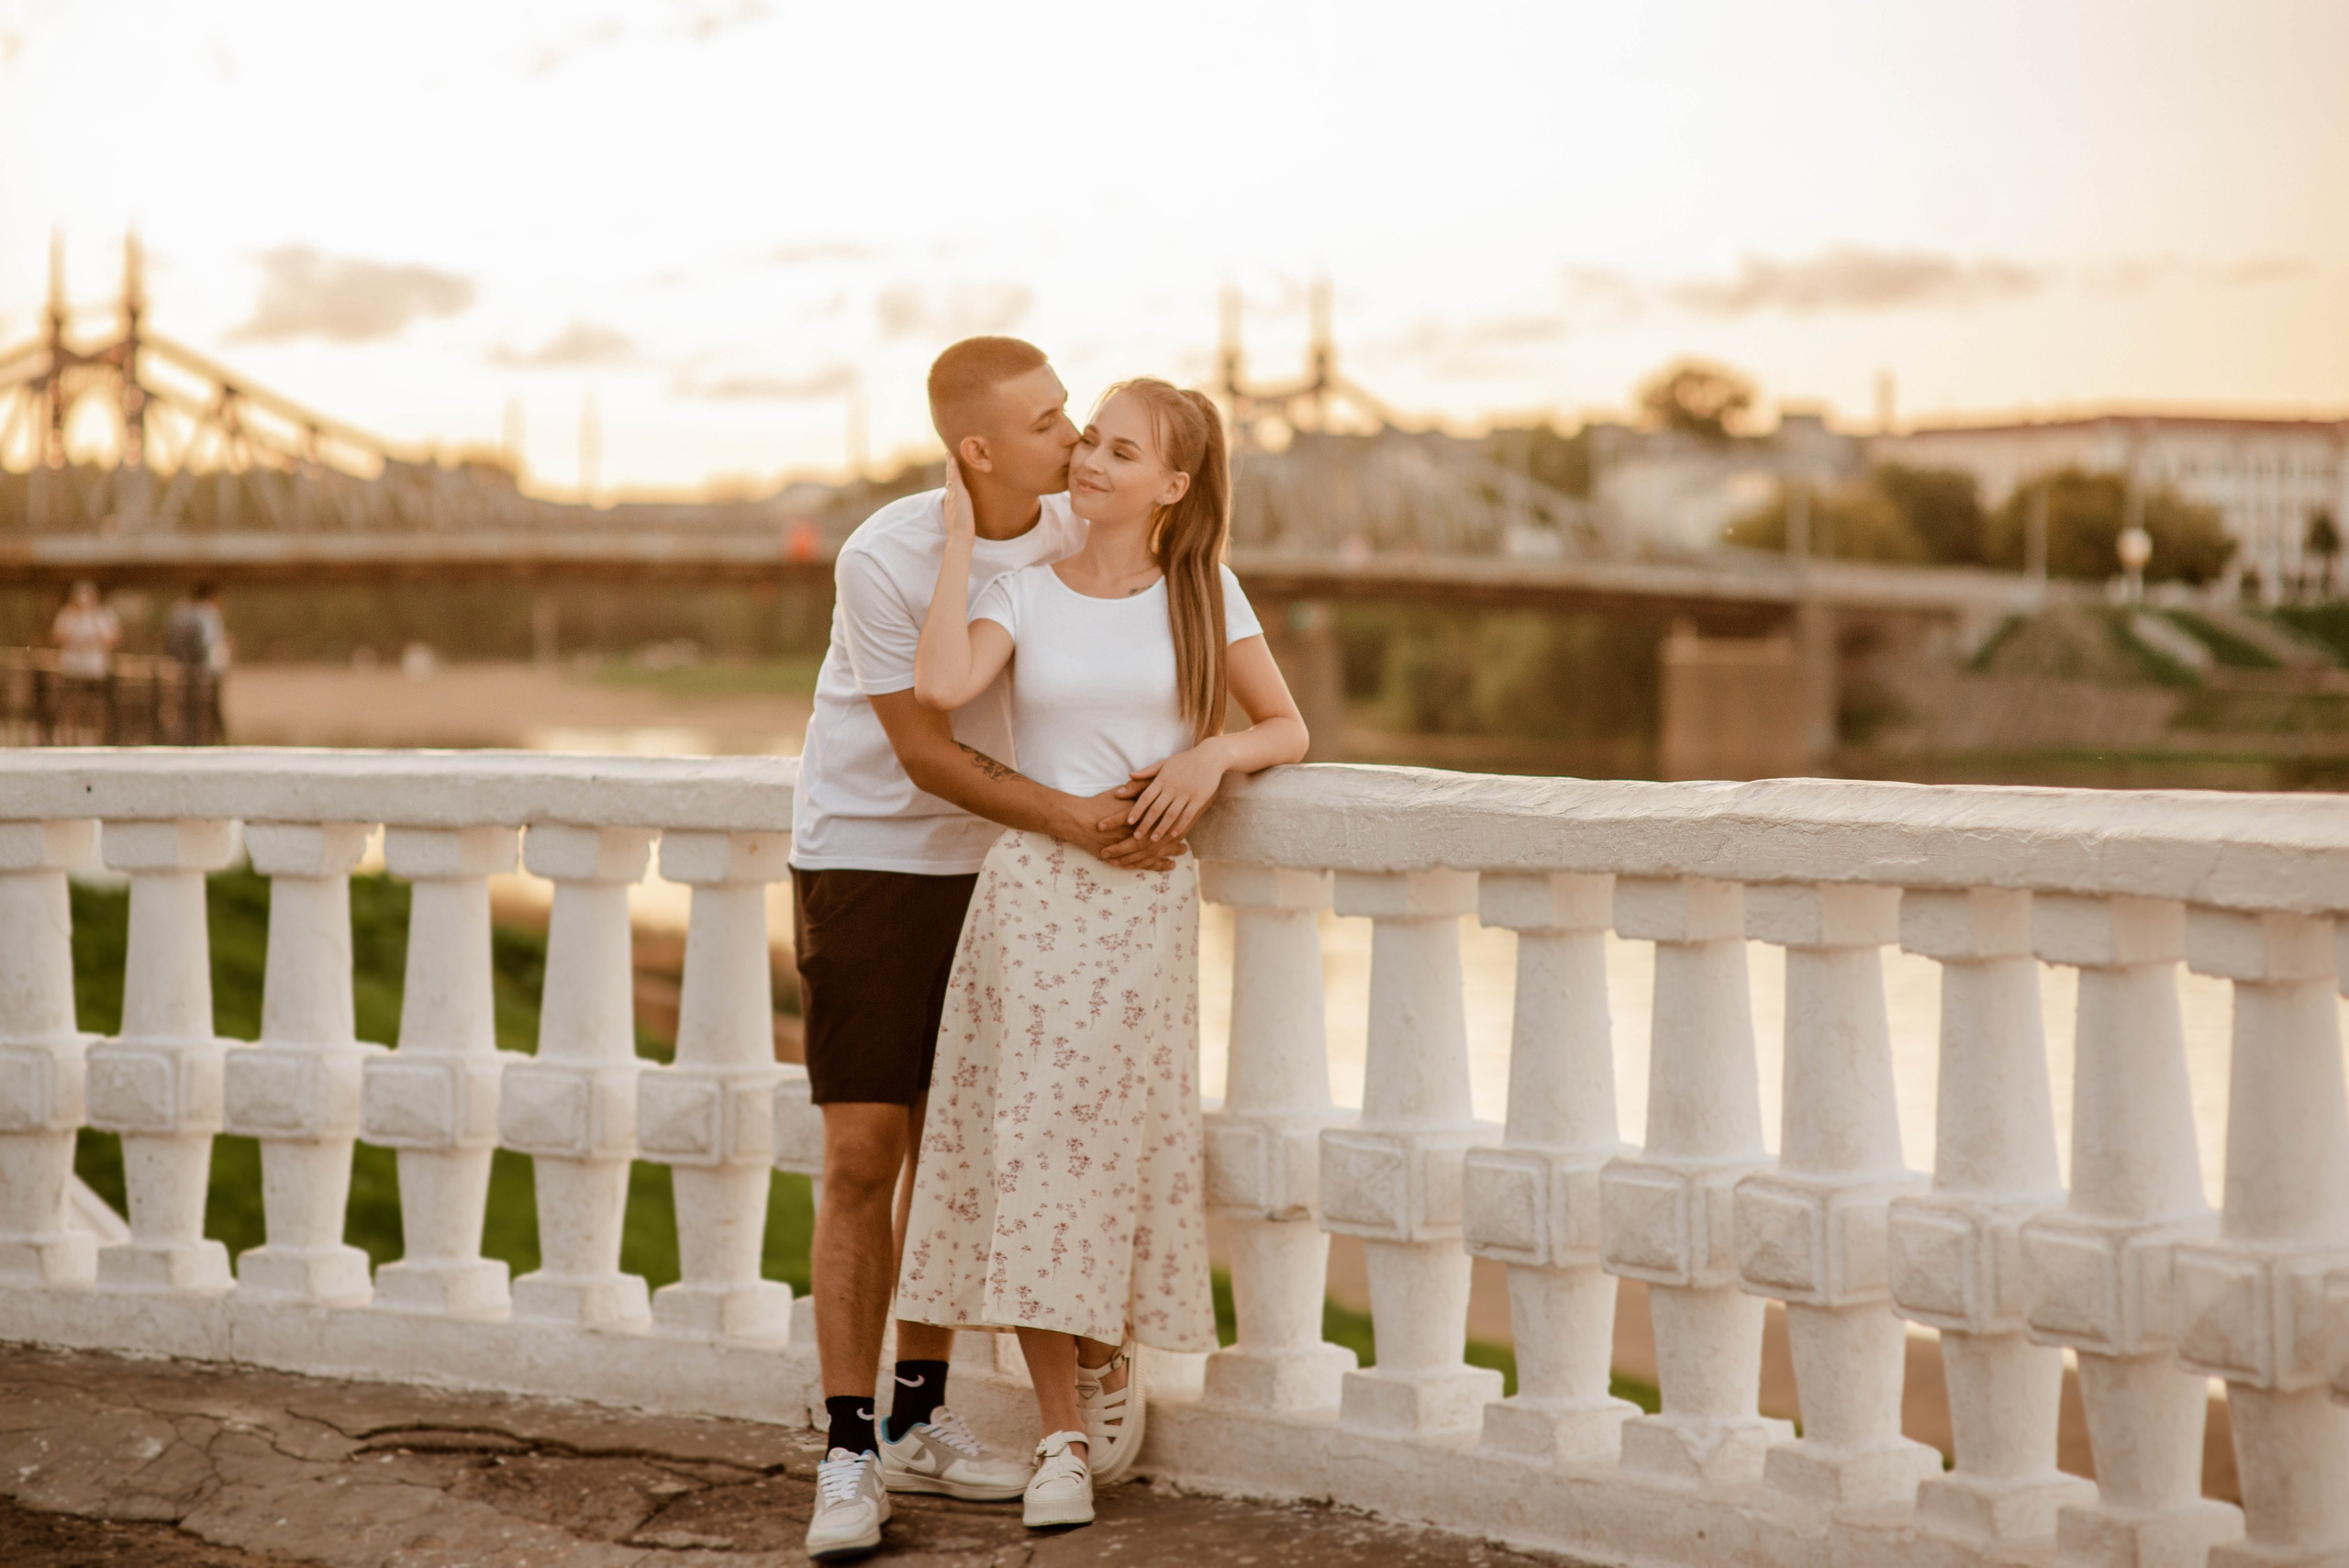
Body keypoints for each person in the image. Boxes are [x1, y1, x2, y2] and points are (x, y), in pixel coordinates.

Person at [794, 338, 1184, 1562]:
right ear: (979, 448)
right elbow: (926, 753)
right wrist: (1076, 814)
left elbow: (1173, 636)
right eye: (1049, 419)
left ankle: (921, 1418)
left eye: (1073, 414)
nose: (1074, 436)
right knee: (867, 1152)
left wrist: (1201, 759)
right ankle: (848, 1454)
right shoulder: (888, 555)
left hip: (1014, 877)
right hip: (873, 856)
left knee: (978, 1152)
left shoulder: (1087, 526)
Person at [896, 379, 1309, 1530]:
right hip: (1034, 899)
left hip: (1142, 909)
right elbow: (937, 688)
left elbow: (1291, 725)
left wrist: (1211, 758)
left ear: (1170, 486)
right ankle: (1061, 1436)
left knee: (1111, 1147)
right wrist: (960, 548)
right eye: (1088, 441)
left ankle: (1105, 1342)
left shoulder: (1200, 592)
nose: (1087, 461)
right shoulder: (1024, 590)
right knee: (1032, 1153)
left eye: (1118, 452)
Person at [50, 580, 120, 743]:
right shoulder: (67, 614)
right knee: (70, 705)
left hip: (95, 670)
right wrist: (72, 615)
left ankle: (99, 740)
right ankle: (68, 740)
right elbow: (57, 637)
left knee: (97, 706)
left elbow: (112, 640)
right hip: (72, 668)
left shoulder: (103, 614)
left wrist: (93, 617)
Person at [163, 582, 229, 743]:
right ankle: (211, 741)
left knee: (186, 709)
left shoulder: (179, 612)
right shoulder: (207, 615)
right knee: (205, 710)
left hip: (182, 668)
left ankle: (189, 740)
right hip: (204, 671)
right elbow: (207, 644)